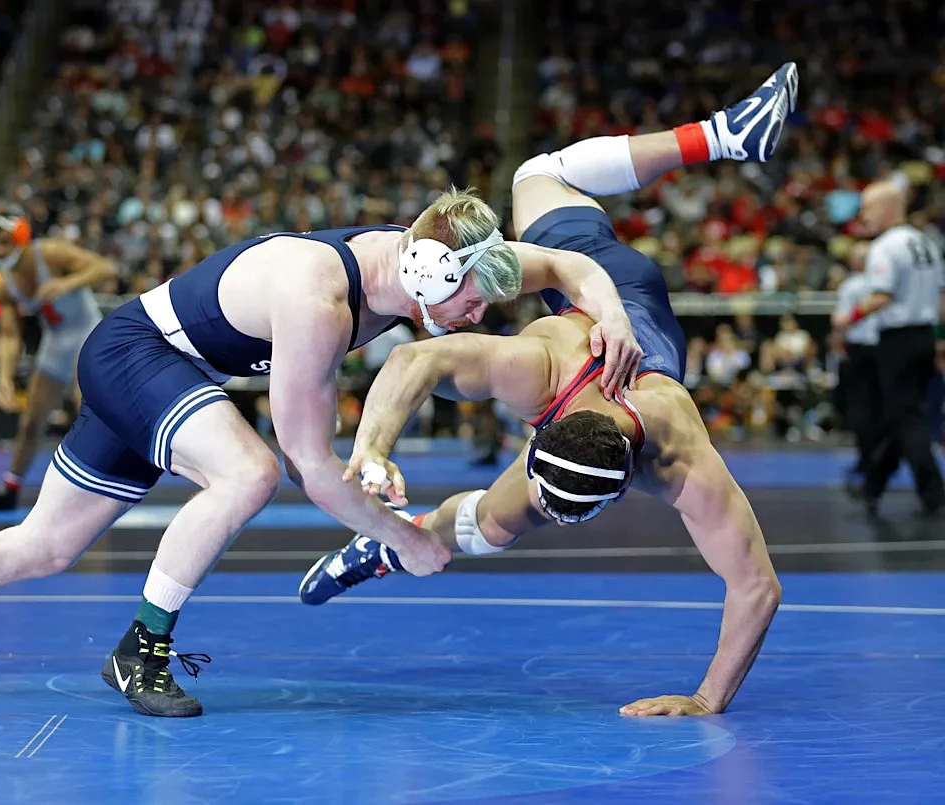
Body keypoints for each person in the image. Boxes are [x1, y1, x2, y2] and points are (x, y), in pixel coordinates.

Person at [0, 188, 645, 717]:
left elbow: (569, 265)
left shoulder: (439, 257)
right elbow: (311, 465)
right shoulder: (319, 301)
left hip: (151, 363)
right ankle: (141, 649)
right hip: (138, 356)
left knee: (45, 545)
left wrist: (611, 316)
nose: (480, 314)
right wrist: (404, 538)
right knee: (252, 471)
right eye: (471, 302)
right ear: (428, 275)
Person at [301, 63, 801, 717]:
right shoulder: (540, 369)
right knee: (535, 175)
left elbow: (758, 586)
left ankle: (387, 544)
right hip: (608, 285)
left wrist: (707, 699)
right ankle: (723, 135)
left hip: (604, 385)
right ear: (540, 431)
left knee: (492, 525)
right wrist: (372, 447)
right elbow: (412, 361)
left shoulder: (680, 458)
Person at [0, 210, 116, 511]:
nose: (1, 250)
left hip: (87, 333)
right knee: (31, 421)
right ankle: (10, 487)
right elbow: (9, 336)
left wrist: (67, 283)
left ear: (21, 238)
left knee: (86, 409)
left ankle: (98, 487)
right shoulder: (6, 285)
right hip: (56, 341)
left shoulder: (49, 253)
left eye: (6, 242)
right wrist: (4, 379)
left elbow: (105, 268)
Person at [832, 180, 945, 516]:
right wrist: (940, 338)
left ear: (887, 208)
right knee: (901, 411)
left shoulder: (885, 246)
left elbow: (882, 296)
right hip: (924, 335)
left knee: (907, 416)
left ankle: (933, 492)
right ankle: (874, 482)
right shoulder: (925, 241)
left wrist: (848, 318)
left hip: (897, 340)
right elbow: (941, 298)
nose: (863, 215)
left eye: (868, 207)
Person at [833, 241, 881, 493]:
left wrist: (839, 340)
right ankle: (879, 458)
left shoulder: (851, 285)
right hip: (884, 348)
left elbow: (840, 320)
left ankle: (866, 460)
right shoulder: (880, 284)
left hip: (860, 349)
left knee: (861, 406)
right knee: (881, 405)